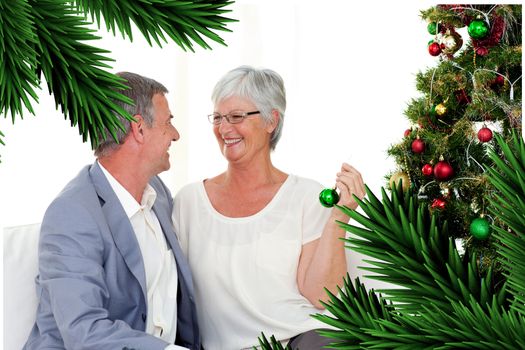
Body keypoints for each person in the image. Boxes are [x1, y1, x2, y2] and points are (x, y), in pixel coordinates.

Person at [172, 65, 365, 349]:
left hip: (301, 341)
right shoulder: (189, 202)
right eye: (217, 118)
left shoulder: (306, 196)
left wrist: (340, 215)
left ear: (270, 121)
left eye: (236, 117)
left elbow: (322, 295)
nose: (224, 129)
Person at [24, 72, 200, 350]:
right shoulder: (72, 214)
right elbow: (85, 332)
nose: (175, 135)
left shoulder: (158, 193)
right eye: (168, 123)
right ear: (139, 129)